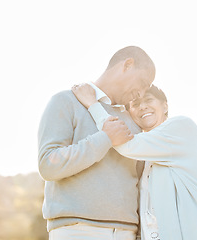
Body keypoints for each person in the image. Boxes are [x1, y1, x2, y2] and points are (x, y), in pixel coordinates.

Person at [71, 83, 197, 240]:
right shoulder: (145, 155)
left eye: (149, 100)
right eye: (135, 104)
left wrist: (92, 104)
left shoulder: (181, 127)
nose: (142, 106)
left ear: (165, 106)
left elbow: (124, 144)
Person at [37, 46, 156, 240]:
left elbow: (143, 184)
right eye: (142, 83)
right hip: (76, 230)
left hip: (128, 233)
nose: (141, 94)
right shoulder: (65, 101)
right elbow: (48, 164)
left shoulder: (134, 122)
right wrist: (105, 138)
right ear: (127, 65)